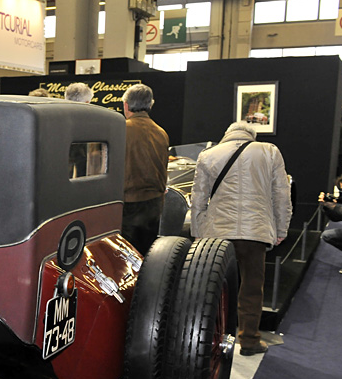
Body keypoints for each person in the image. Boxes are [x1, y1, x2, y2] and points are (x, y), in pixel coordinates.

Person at [190, 120, 291, 356]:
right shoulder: (269, 151)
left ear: (227, 134)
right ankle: (249, 340)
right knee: (252, 287)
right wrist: (282, 229)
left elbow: (198, 200)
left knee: (214, 287)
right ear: (251, 135)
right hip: (255, 232)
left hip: (217, 233)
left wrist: (197, 231)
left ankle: (210, 341)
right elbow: (282, 195)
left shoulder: (208, 155)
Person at [120, 83, 169, 255]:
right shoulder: (161, 132)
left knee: (125, 257)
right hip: (154, 204)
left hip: (127, 205)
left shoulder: (121, 130)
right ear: (150, 105)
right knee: (146, 256)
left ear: (126, 105)